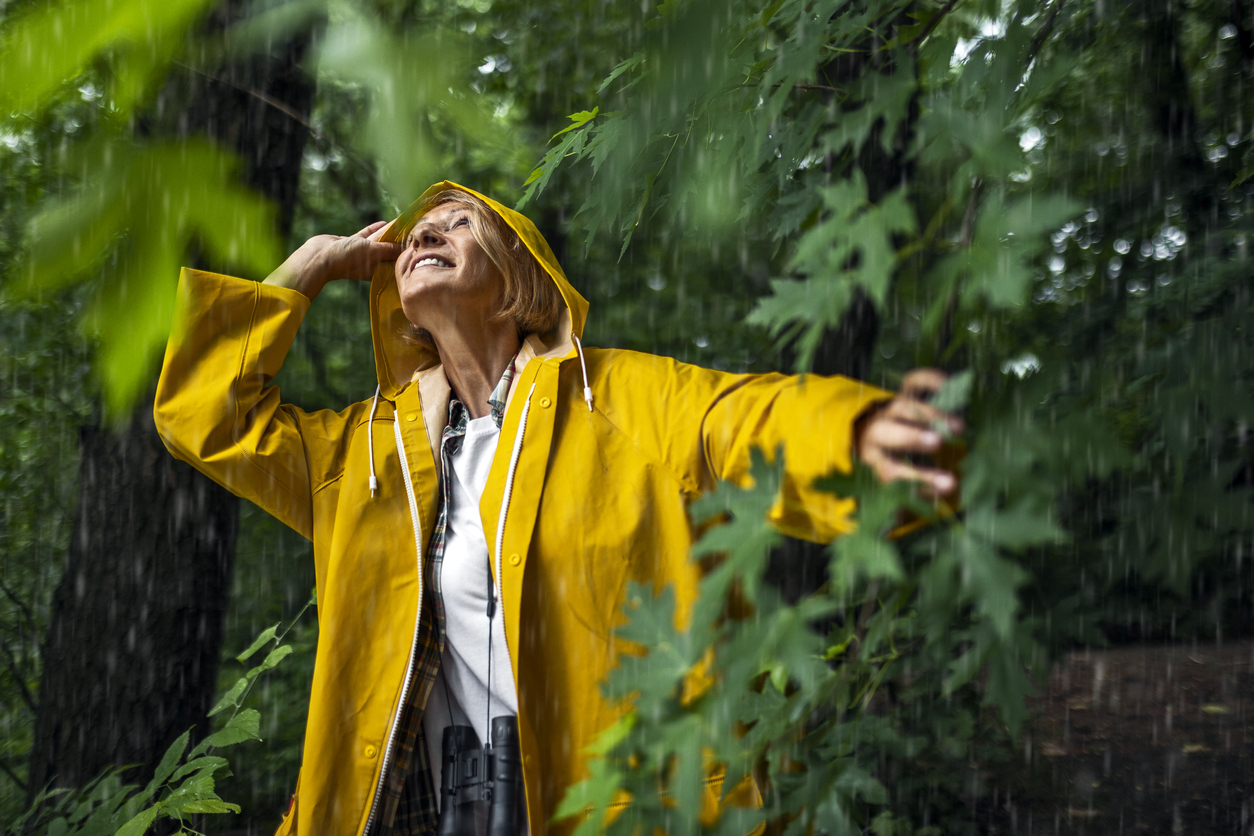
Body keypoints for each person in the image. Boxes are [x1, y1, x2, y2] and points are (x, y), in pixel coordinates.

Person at [153, 181, 961, 836]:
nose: (426, 234)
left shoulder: (617, 398)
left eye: (459, 225)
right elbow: (208, 417)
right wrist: (309, 267)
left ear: (517, 287)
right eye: (418, 232)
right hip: (425, 809)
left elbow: (742, 421)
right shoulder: (363, 453)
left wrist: (860, 440)